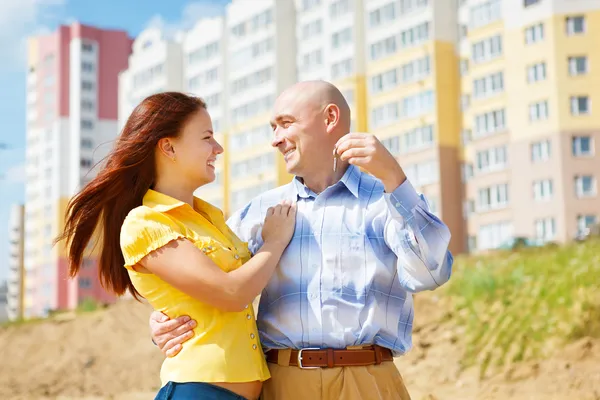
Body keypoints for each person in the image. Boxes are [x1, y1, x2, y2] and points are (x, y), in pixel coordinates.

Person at [150, 81, 454, 399]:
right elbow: (210, 284)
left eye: (285, 123)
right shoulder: (259, 213)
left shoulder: (387, 201)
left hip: (368, 385)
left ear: (329, 118)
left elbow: (431, 273)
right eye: (273, 128)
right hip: (282, 385)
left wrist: (395, 178)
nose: (275, 140)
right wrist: (161, 323)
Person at [55, 92, 297, 400]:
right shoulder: (145, 223)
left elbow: (243, 283)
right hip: (198, 391)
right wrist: (274, 242)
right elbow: (232, 293)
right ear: (169, 147)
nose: (218, 148)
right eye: (207, 137)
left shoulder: (210, 216)